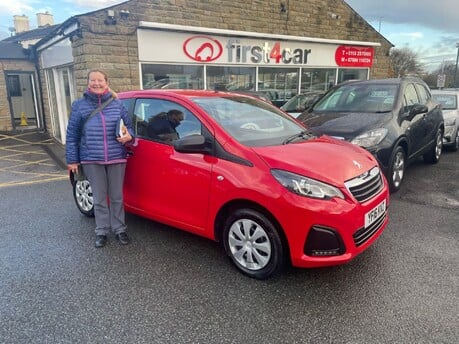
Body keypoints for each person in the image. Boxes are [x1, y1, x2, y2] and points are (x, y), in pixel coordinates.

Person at [66, 69, 134, 248]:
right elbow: (72, 134)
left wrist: (129, 137)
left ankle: (120, 229)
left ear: (106, 82)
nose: (96, 83)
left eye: (100, 80)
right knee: (99, 198)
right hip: (91, 158)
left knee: (117, 197)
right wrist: (72, 160)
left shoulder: (117, 104)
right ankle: (101, 231)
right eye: (93, 80)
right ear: (88, 83)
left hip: (116, 156)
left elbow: (129, 127)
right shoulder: (79, 105)